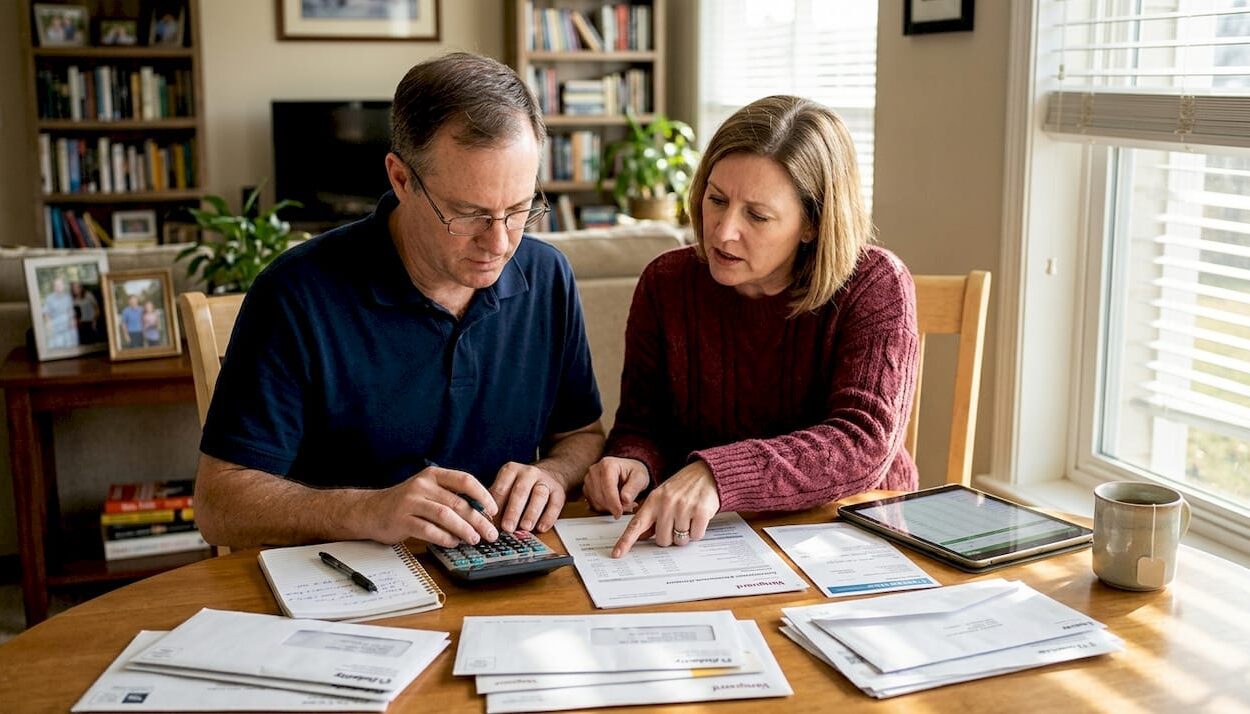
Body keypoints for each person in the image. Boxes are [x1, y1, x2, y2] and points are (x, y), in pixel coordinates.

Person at [194, 52, 605, 550]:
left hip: (501, 575)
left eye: (519, 210)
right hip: (347, 587)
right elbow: (219, 504)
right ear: (401, 179)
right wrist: (367, 510)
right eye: (468, 214)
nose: (499, 244)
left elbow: (582, 435)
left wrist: (554, 474)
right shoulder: (294, 295)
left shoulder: (547, 276)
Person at [584, 95, 920, 557]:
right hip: (710, 540)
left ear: (812, 225)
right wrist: (632, 461)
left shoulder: (875, 284)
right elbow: (643, 423)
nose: (722, 231)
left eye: (757, 216)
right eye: (716, 200)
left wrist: (717, 474)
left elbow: (861, 444)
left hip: (852, 534)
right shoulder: (666, 283)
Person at [42, 275, 78, 350]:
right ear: (54, 287)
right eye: (56, 285)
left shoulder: (68, 297)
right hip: (55, 325)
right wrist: (48, 323)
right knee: (57, 346)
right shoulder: (49, 298)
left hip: (67, 325)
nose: (58, 287)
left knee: (72, 341)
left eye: (60, 285)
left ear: (63, 286)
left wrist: (72, 320)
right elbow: (46, 313)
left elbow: (70, 311)